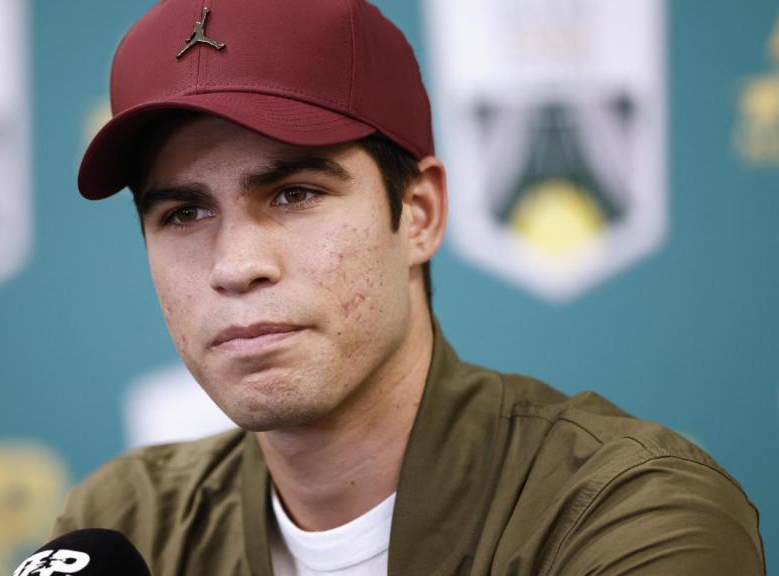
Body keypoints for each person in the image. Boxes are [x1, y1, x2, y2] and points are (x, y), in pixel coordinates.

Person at [53, 1, 765, 574]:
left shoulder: (628, 511)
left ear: (419, 214)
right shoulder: (127, 522)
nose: (235, 265)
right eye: (184, 213)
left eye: (295, 194)